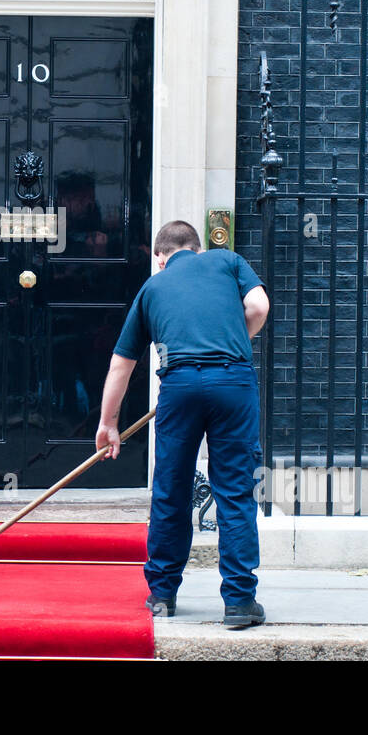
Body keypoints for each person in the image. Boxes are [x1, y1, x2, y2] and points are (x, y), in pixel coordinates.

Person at [95, 220, 270, 628]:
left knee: (171, 489)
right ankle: (240, 602)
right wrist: (233, 341)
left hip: (180, 384)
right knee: (235, 490)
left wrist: (109, 423)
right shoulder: (228, 261)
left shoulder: (152, 288)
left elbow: (122, 364)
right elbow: (259, 306)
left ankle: (162, 595)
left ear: (160, 258)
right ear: (197, 247)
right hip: (233, 381)